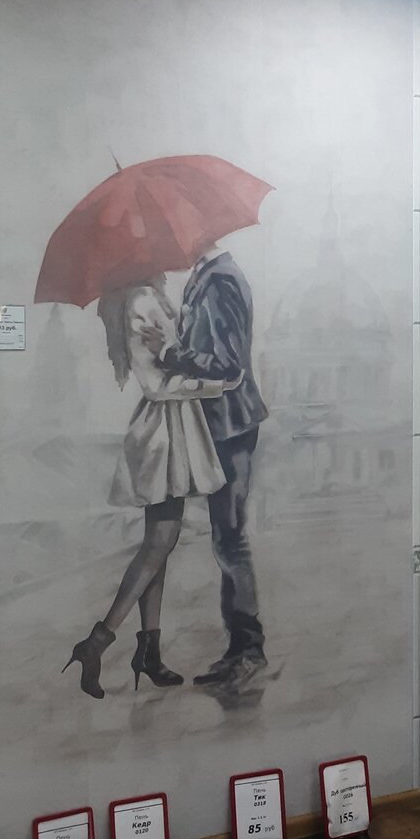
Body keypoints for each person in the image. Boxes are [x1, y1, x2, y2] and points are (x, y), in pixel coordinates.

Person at [63, 277, 242, 700]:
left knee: (158, 544)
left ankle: (149, 652)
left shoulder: (149, 298)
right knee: (160, 542)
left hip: (171, 430)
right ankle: (97, 642)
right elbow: (157, 385)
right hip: (164, 434)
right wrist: (217, 385)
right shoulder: (142, 301)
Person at [143, 240, 268, 691]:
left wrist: (170, 352)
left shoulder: (221, 281)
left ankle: (248, 651)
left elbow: (227, 364)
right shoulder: (207, 278)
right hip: (220, 424)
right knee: (225, 538)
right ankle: (239, 650)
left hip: (230, 426)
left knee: (230, 539)